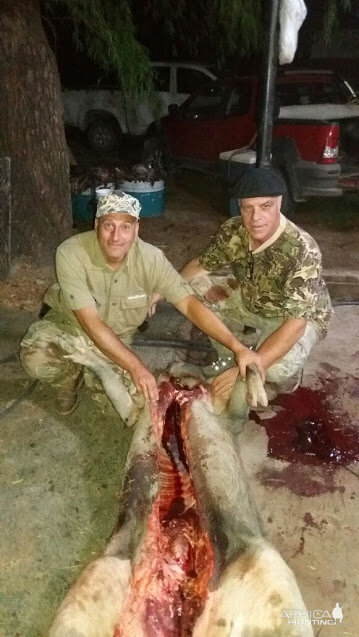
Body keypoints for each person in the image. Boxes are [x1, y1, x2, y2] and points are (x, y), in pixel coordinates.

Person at [20, 191, 260, 415]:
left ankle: (93, 372)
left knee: (133, 406)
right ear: (96, 226)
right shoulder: (71, 252)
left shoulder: (152, 258)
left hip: (117, 336)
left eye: (125, 227)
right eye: (108, 225)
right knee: (37, 356)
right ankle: (68, 378)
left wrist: (237, 347)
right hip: (71, 326)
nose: (116, 236)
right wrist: (136, 366)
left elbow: (188, 304)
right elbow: (90, 322)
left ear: (137, 229)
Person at [180, 166, 333, 423]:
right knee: (191, 289)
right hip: (251, 299)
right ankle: (230, 356)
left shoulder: (302, 249)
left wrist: (253, 366)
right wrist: (161, 292)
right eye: (247, 208)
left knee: (278, 368)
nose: (255, 217)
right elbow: (199, 265)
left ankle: (267, 369)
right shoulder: (234, 231)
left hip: (296, 317)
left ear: (279, 203)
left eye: (265, 206)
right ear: (239, 207)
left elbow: (296, 323)